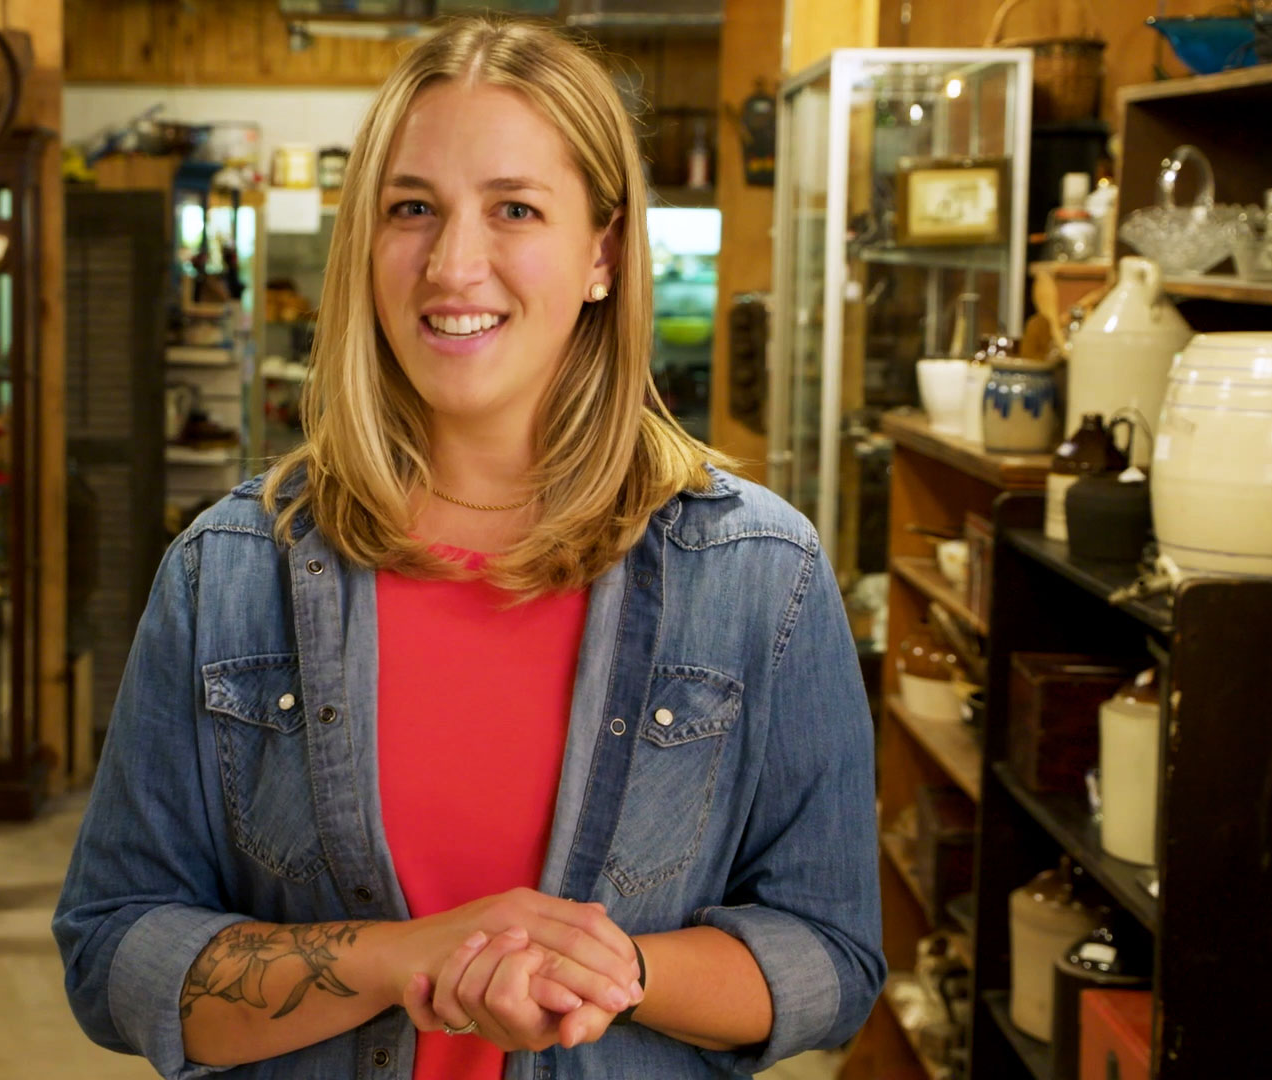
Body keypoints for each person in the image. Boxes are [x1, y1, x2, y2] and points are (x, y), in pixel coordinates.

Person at [54, 16, 882, 1080]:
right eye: (413, 209)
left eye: (515, 209)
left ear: (602, 253)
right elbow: (114, 948)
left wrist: (606, 966)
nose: (453, 264)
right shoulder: (228, 572)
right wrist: (404, 958)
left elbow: (833, 954)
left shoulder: (765, 575)